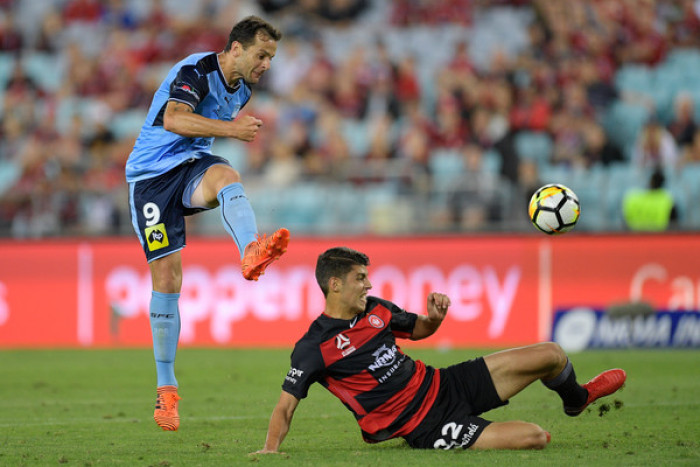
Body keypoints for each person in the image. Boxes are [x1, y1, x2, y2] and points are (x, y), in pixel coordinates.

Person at [255, 247, 627, 453]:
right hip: (426, 425)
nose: (369, 284)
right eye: (360, 278)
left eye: (367, 276)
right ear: (334, 285)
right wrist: (271, 451)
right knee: (535, 437)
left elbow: (419, 330)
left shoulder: (377, 310)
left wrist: (434, 318)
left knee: (552, 353)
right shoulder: (313, 348)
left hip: (445, 384)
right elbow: (285, 405)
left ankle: (577, 398)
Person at [125, 16, 289, 432]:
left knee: (228, 178)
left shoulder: (245, 89)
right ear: (236, 48)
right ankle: (166, 388)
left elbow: (203, 135)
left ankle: (251, 250)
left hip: (191, 167)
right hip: (150, 178)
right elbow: (175, 120)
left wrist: (226, 135)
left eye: (271, 57)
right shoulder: (195, 71)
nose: (266, 63)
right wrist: (231, 130)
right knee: (167, 278)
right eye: (261, 54)